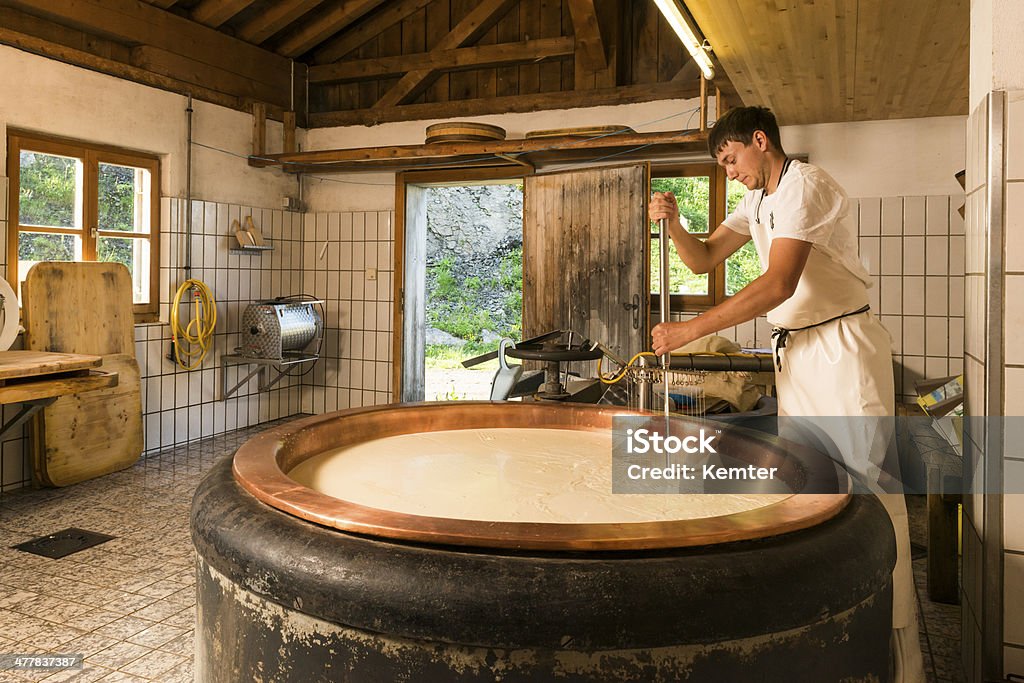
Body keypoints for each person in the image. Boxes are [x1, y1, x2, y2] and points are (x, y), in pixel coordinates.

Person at [648, 106, 924, 683]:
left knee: (871, 493)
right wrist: (673, 224)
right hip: (797, 355)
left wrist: (688, 332)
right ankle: (830, 630)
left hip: (843, 352)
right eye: (720, 167)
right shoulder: (757, 202)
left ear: (759, 140)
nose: (730, 173)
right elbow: (701, 261)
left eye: (731, 160)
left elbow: (779, 282)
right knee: (811, 489)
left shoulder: (807, 185)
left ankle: (894, 654)